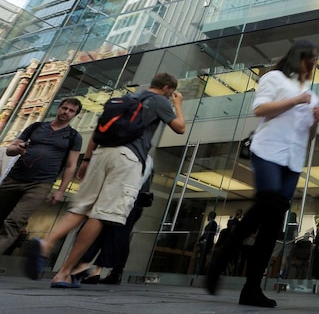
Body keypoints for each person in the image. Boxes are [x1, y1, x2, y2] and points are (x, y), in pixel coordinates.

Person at [26, 73, 185, 287]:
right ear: (167, 88)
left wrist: (86, 160)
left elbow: (97, 131)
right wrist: (178, 103)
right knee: (102, 215)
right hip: (127, 159)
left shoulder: (127, 99)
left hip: (101, 154)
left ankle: (48, 244)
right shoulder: (159, 100)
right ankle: (63, 271)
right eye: (170, 92)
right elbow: (180, 127)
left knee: (80, 209)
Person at [206, 40, 319, 308]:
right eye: (311, 58)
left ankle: (252, 288)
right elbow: (260, 109)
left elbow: (308, 135)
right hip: (268, 150)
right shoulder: (274, 78)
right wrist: (295, 100)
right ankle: (221, 259)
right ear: (299, 58)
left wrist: (315, 120)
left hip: (292, 160)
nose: (314, 63)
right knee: (268, 199)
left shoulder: (312, 93)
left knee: (273, 223)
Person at [0, 98, 82, 255]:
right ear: (59, 108)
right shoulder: (36, 127)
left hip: (40, 185)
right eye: (64, 108)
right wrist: (17, 148)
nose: (66, 112)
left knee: (14, 222)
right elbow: (10, 150)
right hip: (14, 178)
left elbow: (71, 166)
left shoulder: (73, 136)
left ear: (75, 115)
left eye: (71, 111)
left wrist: (60, 190)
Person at [71, 155, 154, 285]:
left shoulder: (142, 158)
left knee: (111, 232)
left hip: (126, 199)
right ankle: (94, 269)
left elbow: (136, 181)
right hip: (127, 199)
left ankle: (92, 268)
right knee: (115, 234)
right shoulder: (143, 158)